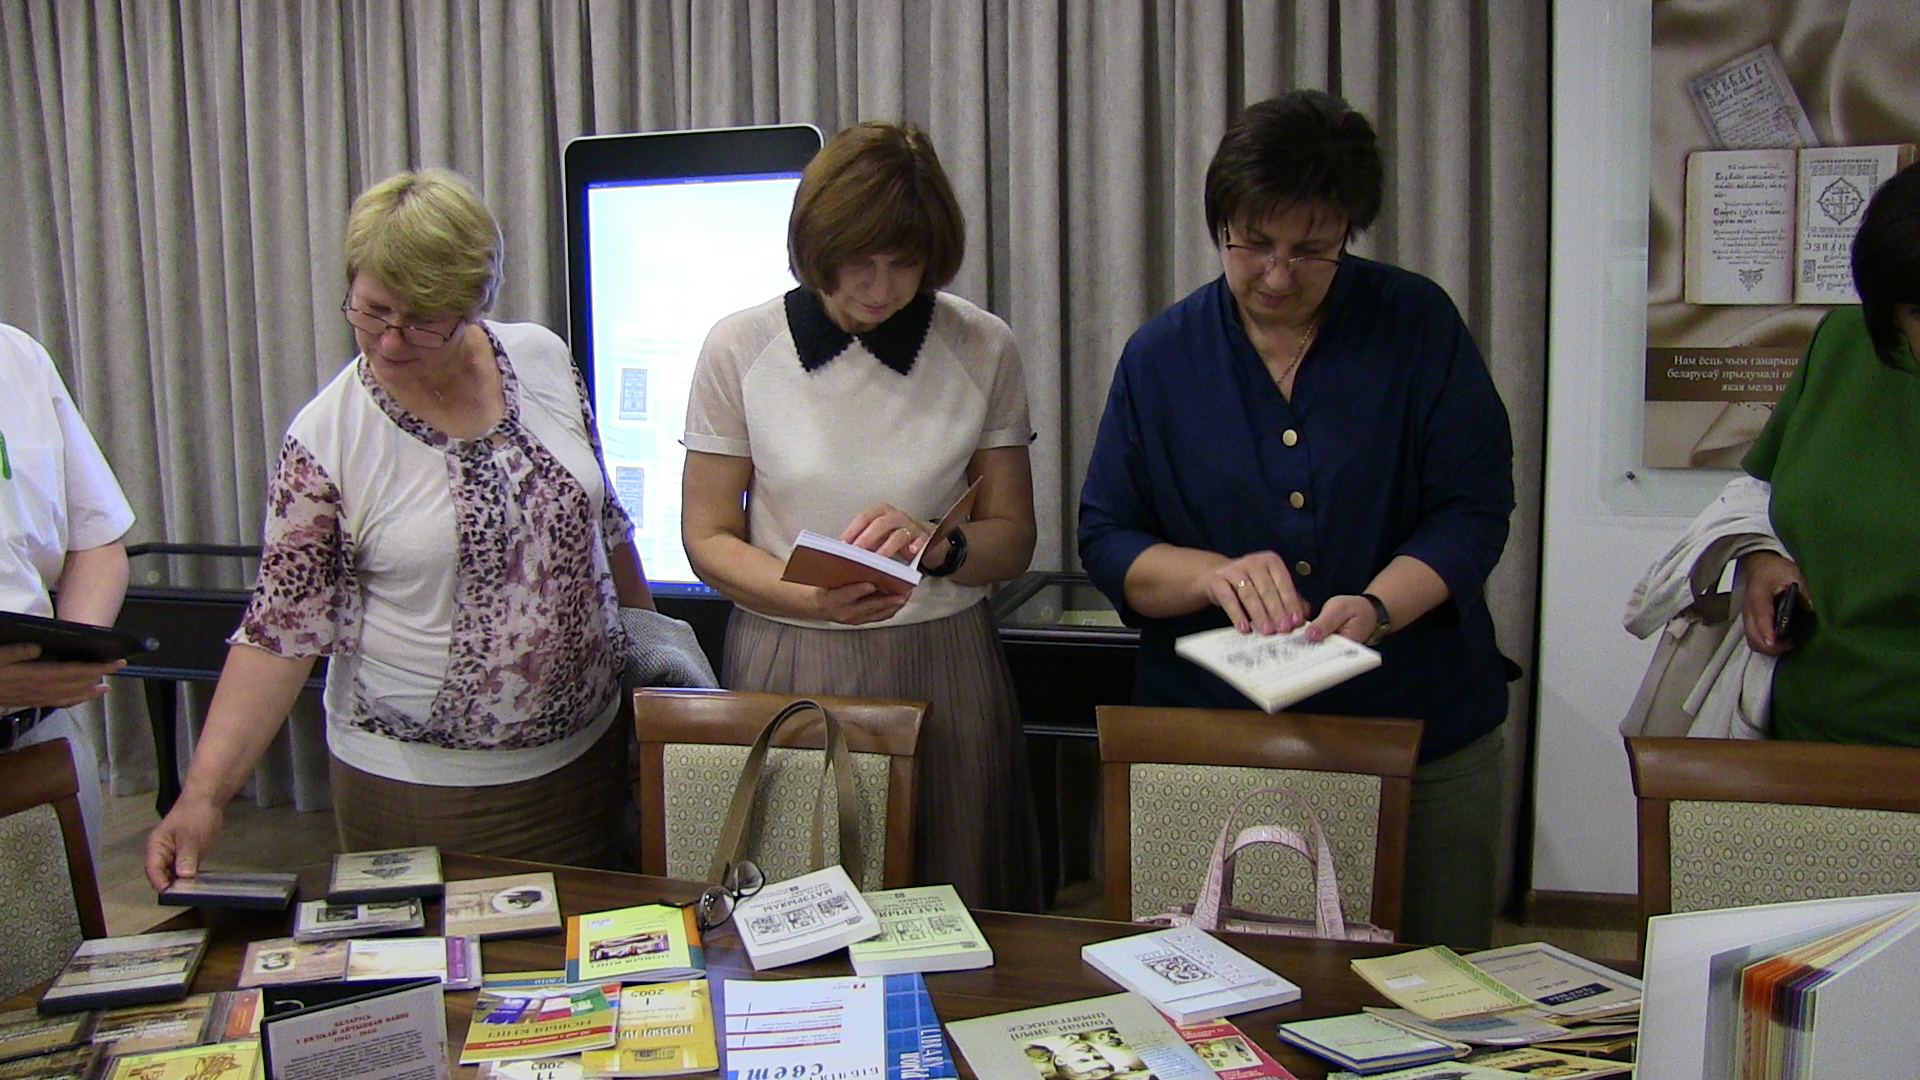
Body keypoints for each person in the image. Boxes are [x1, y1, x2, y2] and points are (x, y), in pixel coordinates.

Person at [1078, 90, 1515, 948]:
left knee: (1435, 981)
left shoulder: (1415, 323)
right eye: (1253, 243)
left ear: (1349, 232)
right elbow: (1108, 537)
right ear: (1220, 224)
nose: (1277, 275)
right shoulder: (1163, 356)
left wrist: (1380, 606)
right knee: (1216, 982)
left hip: (1418, 723)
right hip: (1214, 737)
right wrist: (1211, 574)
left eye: (1311, 251)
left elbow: (1473, 508)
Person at [145, 168, 654, 889]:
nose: (389, 342)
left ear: (475, 300)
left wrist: (655, 688)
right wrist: (203, 795)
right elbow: (280, 635)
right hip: (425, 790)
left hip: (590, 759)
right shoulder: (326, 439)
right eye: (372, 310)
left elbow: (606, 528)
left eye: (422, 320)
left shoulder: (540, 358)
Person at [681, 121, 1042, 912]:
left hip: (942, 655)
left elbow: (1015, 537)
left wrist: (939, 546)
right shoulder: (740, 347)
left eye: (904, 264)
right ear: (817, 246)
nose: (880, 288)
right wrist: (808, 598)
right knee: (792, 898)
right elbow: (706, 536)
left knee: (951, 894)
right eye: (858, 262)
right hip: (789, 652)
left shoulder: (981, 345)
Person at [1737, 162, 1920, 744]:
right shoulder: (1847, 343)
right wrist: (1761, 558)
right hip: (1809, 736)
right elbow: (1758, 495)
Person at [0, 322, 136, 854]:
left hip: (39, 740)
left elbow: (95, 541)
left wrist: (69, 654)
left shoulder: (18, 357)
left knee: (61, 911)